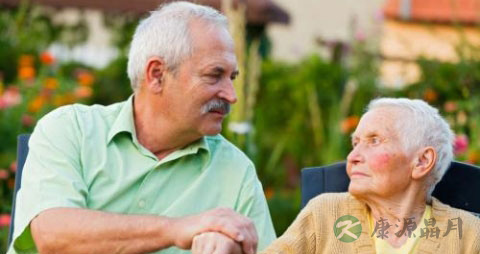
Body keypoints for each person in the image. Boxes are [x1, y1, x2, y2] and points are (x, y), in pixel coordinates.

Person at [7, 2, 276, 254]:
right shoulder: (71, 129)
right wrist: (179, 228)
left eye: (232, 78)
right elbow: (53, 235)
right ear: (157, 74)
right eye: (214, 75)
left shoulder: (237, 172)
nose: (231, 95)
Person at [261, 98, 480, 254]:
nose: (352, 156)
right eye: (355, 143)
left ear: (422, 162)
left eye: (374, 141)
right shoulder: (324, 215)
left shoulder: (469, 235)